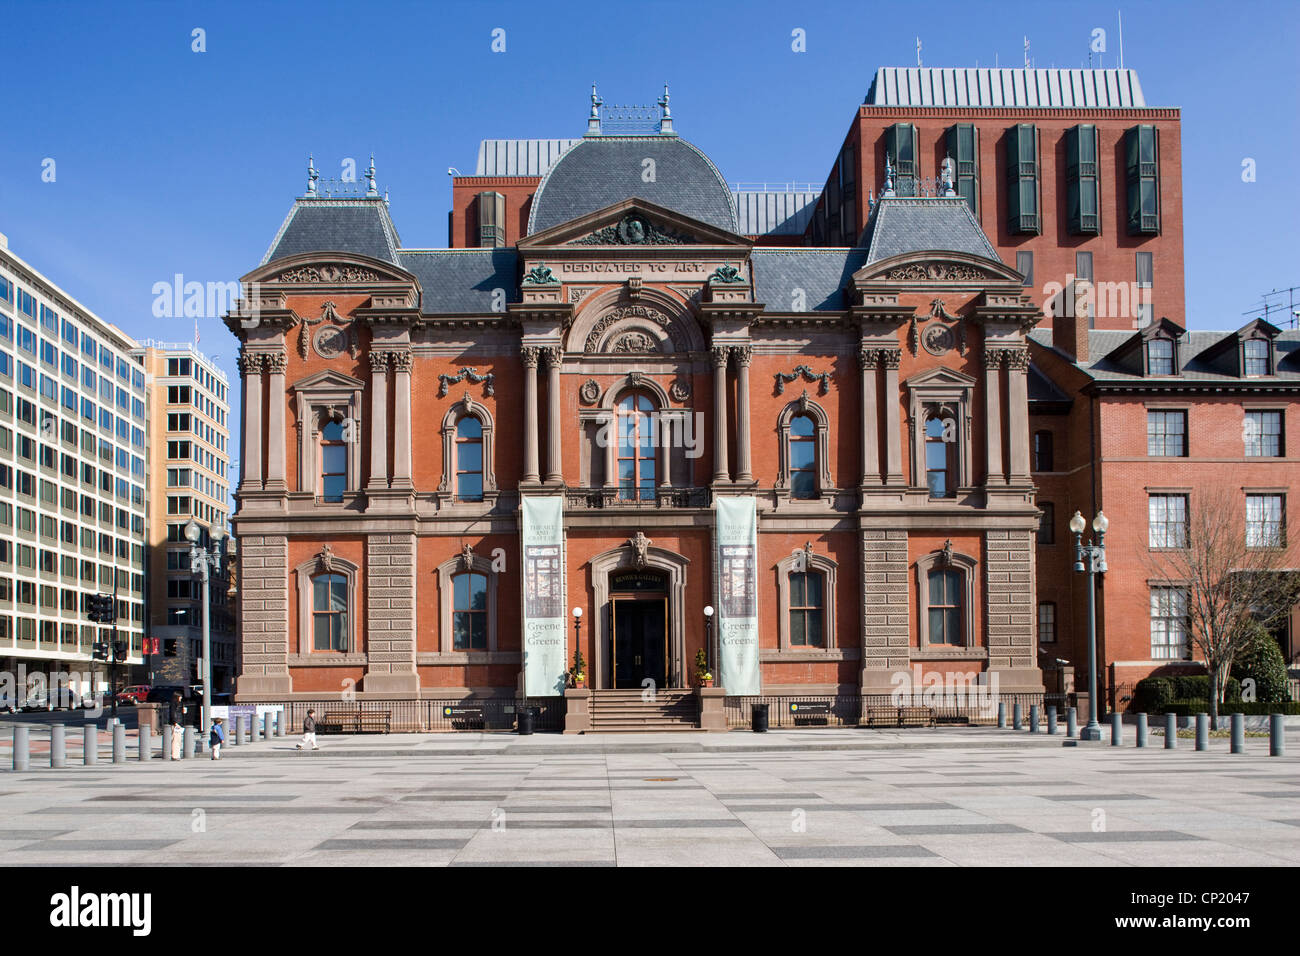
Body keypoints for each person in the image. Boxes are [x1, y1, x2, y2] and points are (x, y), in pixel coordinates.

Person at [168, 691, 185, 759]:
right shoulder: (173, 704)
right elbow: (172, 714)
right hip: (176, 723)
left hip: (179, 723)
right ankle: (175, 755)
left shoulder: (179, 704)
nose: (181, 697)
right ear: (177, 697)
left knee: (178, 740)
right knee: (175, 739)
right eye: (180, 696)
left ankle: (177, 755)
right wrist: (175, 722)